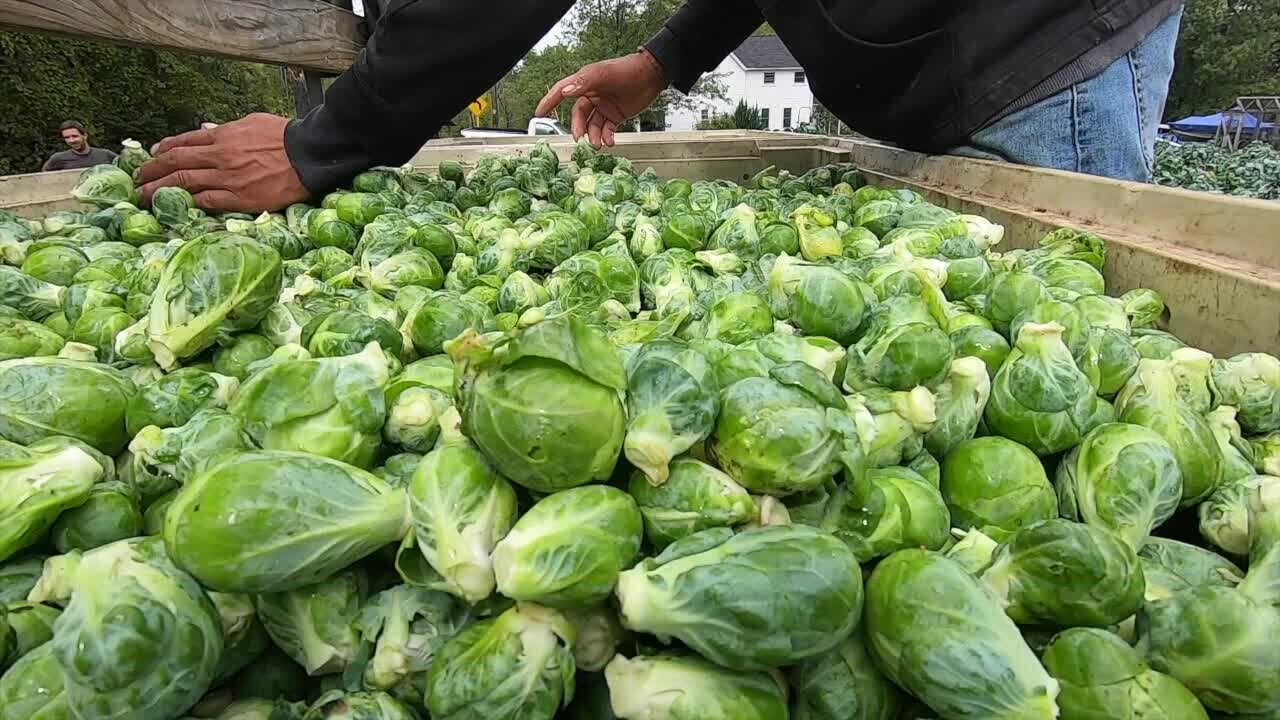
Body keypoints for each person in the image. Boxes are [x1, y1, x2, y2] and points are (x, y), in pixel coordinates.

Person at [136, 0, 1182, 213]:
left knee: (1052, 331)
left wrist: (327, 141)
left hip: (1038, 46)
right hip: (924, 61)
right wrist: (663, 59)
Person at [41, 121, 118, 171]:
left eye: (75, 136)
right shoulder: (58, 158)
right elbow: (44, 175)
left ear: (85, 136)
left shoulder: (105, 154)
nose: (71, 140)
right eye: (67, 138)